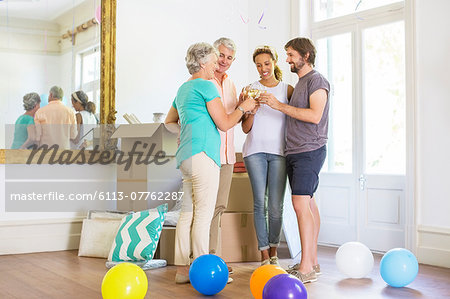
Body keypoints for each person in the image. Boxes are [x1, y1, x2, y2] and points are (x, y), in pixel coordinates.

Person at [164, 42, 255, 284]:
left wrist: (188, 130)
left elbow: (168, 122)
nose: (217, 64)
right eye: (214, 60)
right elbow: (225, 123)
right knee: (203, 216)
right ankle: (203, 271)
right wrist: (243, 108)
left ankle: (183, 270)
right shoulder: (206, 86)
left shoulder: (183, 89)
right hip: (204, 156)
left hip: (186, 156)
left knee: (187, 214)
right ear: (203, 63)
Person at [260, 37, 330, 284]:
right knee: (308, 204)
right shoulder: (301, 82)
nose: (287, 59)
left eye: (290, 54)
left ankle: (307, 266)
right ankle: (311, 262)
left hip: (309, 151)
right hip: (296, 151)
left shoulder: (317, 81)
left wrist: (279, 106)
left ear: (305, 55)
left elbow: (314, 115)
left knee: (300, 204)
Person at [241, 46, 294, 267]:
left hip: (280, 153)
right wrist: (252, 109)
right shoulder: (249, 90)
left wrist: (275, 103)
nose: (263, 68)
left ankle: (274, 252)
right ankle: (264, 255)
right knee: (258, 204)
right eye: (258, 65)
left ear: (274, 62)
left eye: (266, 63)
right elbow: (245, 128)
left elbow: (295, 119)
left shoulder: (287, 90)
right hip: (254, 152)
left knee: (275, 206)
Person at [208, 38, 239, 267]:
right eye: (221, 55)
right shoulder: (204, 81)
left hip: (227, 156)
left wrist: (247, 106)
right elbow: (222, 121)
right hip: (208, 154)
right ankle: (205, 258)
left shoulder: (230, 84)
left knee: (219, 207)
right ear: (212, 53)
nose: (224, 61)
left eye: (229, 57)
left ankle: (214, 258)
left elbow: (235, 118)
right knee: (205, 208)